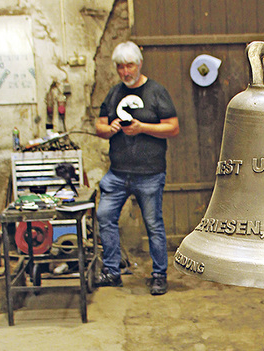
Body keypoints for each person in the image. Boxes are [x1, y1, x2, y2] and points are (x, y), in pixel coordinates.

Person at [95, 41, 179, 295]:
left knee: (154, 225)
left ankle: (159, 274)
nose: (125, 72)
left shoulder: (156, 91)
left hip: (150, 174)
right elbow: (99, 124)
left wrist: (143, 128)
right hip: (117, 173)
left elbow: (173, 127)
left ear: (139, 64)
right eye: (120, 67)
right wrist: (108, 130)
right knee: (104, 217)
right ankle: (111, 271)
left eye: (129, 65)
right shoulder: (113, 93)